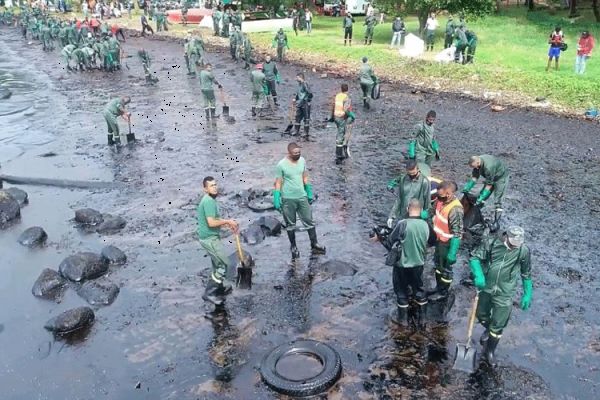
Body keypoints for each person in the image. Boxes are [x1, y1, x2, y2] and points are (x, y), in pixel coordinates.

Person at [469, 226, 532, 365]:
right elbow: (474, 258)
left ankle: (490, 351)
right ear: (506, 237)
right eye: (513, 242)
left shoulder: (523, 251)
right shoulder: (492, 243)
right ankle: (488, 328)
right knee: (481, 314)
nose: (515, 246)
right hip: (487, 287)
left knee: (499, 323)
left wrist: (527, 293)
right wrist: (478, 274)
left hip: (505, 291)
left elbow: (526, 273)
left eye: (518, 243)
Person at [273, 142, 326, 260]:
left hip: (302, 197)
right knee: (290, 225)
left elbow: (305, 176)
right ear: (289, 153)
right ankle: (293, 246)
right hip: (288, 198)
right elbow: (278, 182)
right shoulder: (281, 165)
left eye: (299, 152)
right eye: (295, 153)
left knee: (309, 221)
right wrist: (276, 198)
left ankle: (314, 244)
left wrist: (309, 191)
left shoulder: (302, 161)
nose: (297, 154)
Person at [385, 199, 430, 326]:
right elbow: (432, 240)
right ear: (421, 210)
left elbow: (390, 241)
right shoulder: (426, 224)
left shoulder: (402, 223)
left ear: (407, 209)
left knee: (401, 291)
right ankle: (423, 319)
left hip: (402, 265)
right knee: (419, 290)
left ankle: (403, 320)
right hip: (419, 264)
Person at [197, 176, 239, 306]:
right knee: (223, 264)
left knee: (216, 264)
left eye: (215, 185)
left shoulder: (209, 200)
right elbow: (211, 222)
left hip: (210, 237)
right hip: (209, 239)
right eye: (211, 186)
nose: (215, 187)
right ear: (205, 189)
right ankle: (209, 293)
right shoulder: (208, 201)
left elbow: (214, 220)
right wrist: (227, 221)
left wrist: (228, 224)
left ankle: (219, 288)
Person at [429, 181, 463, 300]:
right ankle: (438, 287)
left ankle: (443, 292)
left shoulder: (455, 210)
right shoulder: (439, 201)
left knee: (446, 269)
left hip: (447, 243)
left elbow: (457, 233)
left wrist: (452, 253)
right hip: (439, 240)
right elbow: (431, 212)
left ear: (448, 194)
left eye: (441, 195)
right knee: (438, 265)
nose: (438, 197)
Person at [462, 155, 509, 231]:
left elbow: (489, 185)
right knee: (482, 196)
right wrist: (467, 187)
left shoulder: (488, 167)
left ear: (478, 162)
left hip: (500, 178)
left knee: (498, 199)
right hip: (490, 176)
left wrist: (482, 196)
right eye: (474, 167)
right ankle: (476, 211)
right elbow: (474, 177)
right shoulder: (477, 165)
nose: (476, 168)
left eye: (476, 167)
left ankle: (496, 222)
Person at [387, 160, 431, 227]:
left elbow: (427, 201)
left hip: (417, 215)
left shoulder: (424, 182)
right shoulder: (403, 179)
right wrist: (391, 216)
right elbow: (399, 199)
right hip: (403, 214)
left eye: (413, 173)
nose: (411, 176)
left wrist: (425, 215)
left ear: (418, 169)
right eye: (409, 174)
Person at [407, 110, 440, 177]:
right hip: (420, 149)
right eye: (430, 119)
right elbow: (412, 138)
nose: (431, 121)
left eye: (433, 120)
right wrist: (411, 153)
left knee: (428, 167)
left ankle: (426, 179)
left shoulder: (432, 127)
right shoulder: (419, 126)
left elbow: (433, 138)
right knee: (420, 166)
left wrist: (436, 149)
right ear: (427, 118)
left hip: (430, 150)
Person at [330, 83, 356, 163]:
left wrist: (331, 116)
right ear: (347, 90)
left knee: (340, 131)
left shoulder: (337, 95)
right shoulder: (346, 98)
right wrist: (352, 115)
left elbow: (333, 106)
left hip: (336, 117)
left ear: (341, 89)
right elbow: (346, 109)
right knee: (341, 134)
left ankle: (340, 150)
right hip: (341, 117)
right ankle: (339, 155)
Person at [292, 72, 312, 139]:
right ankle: (296, 130)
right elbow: (299, 93)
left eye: (297, 77)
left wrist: (307, 100)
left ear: (300, 78)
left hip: (305, 103)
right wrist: (295, 98)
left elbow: (309, 93)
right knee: (297, 117)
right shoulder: (299, 84)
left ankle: (306, 132)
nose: (296, 79)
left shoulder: (305, 84)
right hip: (299, 103)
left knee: (306, 118)